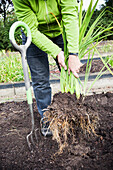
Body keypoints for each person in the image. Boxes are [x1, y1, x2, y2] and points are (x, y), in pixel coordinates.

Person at [12, 0, 82, 136]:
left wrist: (73, 53)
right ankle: (47, 117)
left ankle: (74, 113)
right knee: (40, 79)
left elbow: (70, 15)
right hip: (33, 33)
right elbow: (31, 29)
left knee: (70, 73)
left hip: (61, 29)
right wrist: (56, 51)